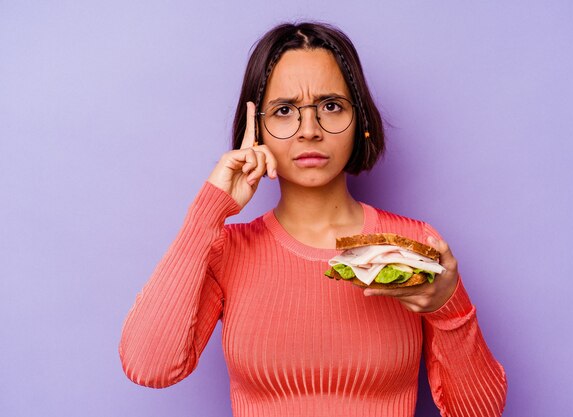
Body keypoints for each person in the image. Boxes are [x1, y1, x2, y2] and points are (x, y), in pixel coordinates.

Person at [119, 22, 507, 417]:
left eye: (331, 106)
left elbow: (479, 411)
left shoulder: (412, 247)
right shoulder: (228, 252)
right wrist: (208, 211)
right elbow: (149, 366)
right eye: (285, 111)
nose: (309, 131)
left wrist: (448, 307)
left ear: (362, 122)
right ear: (256, 131)